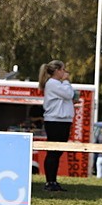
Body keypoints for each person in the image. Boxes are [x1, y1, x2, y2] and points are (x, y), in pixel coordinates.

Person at [39, 60, 75, 191]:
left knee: (58, 152)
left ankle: (53, 181)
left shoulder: (57, 84)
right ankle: (50, 182)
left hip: (63, 120)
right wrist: (66, 81)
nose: (65, 72)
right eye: (63, 69)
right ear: (57, 71)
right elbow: (69, 94)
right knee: (53, 152)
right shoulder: (53, 83)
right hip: (55, 121)